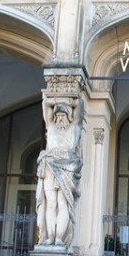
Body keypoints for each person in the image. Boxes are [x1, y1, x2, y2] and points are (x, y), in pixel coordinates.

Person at [36, 96, 84, 246]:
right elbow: (45, 104)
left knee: (63, 204)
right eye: (58, 115)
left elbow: (80, 107)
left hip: (67, 168)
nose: (60, 118)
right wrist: (56, 99)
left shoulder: (74, 128)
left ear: (69, 116)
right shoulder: (51, 129)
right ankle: (50, 237)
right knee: (50, 204)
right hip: (50, 166)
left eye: (63, 115)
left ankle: (59, 238)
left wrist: (71, 102)